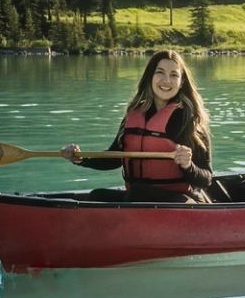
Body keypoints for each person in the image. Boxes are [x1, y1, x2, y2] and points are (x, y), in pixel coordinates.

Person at [62, 49, 216, 203]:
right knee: (97, 195)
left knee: (139, 191)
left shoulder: (188, 119)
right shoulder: (134, 114)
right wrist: (80, 158)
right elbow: (114, 158)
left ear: (181, 82)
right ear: (150, 77)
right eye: (160, 72)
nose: (166, 80)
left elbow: (206, 179)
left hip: (179, 202)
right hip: (137, 199)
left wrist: (188, 166)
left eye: (174, 75)